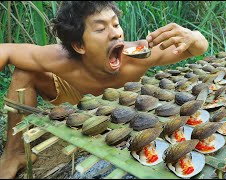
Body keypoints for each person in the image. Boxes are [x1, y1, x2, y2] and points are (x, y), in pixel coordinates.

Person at [0, 1, 208, 178]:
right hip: (73, 93)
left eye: (116, 24)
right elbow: (7, 50)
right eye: (100, 29)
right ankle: (13, 153)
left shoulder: (136, 55)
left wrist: (194, 36)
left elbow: (195, 48)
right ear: (79, 46)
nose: (115, 33)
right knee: (24, 71)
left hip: (121, 101)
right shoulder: (58, 58)